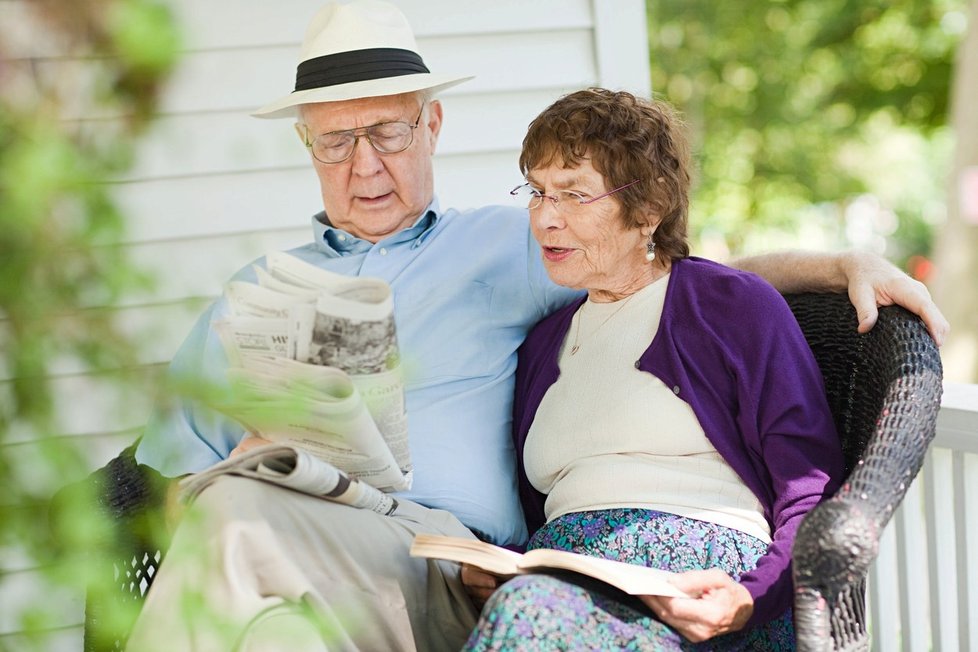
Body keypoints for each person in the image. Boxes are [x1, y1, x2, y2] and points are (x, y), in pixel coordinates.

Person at [125, 2, 947, 650]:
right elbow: (161, 478)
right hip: (307, 542)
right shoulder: (257, 295)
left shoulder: (512, 246)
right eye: (336, 140)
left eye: (386, 132)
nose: (364, 165)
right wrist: (247, 455)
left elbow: (671, 269)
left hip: (445, 561)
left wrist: (837, 267)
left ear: (431, 128)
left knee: (235, 521)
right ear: (308, 146)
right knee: (256, 592)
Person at [460, 88, 843, 649]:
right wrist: (502, 566)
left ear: (649, 208)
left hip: (702, 592)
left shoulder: (731, 306)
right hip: (567, 588)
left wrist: (750, 597)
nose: (546, 219)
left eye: (574, 195)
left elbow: (812, 489)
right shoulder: (544, 342)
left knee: (525, 616)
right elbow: (546, 509)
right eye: (539, 193)